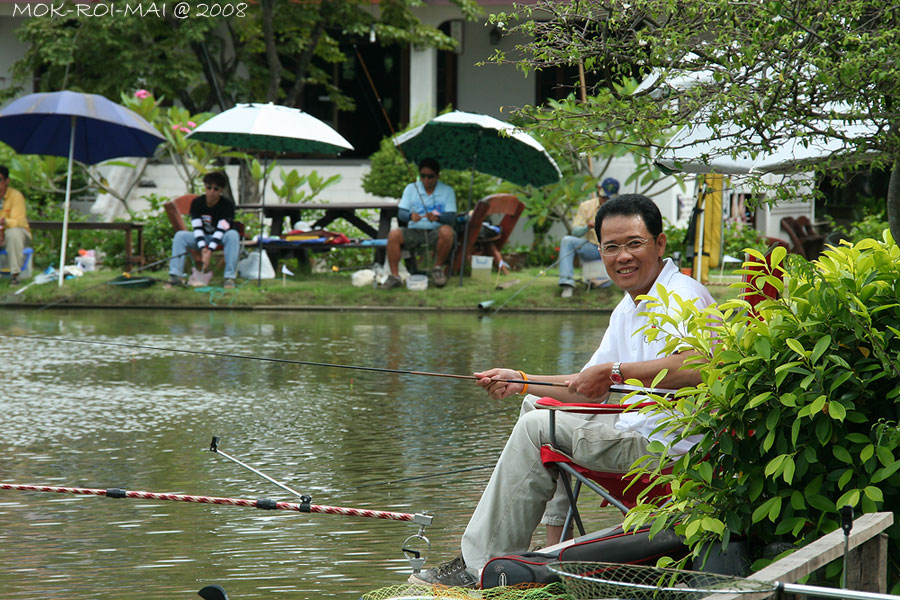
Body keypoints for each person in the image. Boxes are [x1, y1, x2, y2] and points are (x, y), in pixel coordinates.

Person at [410, 194, 715, 588]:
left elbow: (701, 365)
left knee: (538, 427)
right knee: (537, 404)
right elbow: (588, 387)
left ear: (659, 244)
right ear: (600, 251)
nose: (622, 256)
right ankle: (552, 545)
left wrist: (616, 371)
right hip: (639, 433)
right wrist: (519, 377)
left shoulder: (683, 294)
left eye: (634, 243)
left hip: (667, 450)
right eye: (611, 247)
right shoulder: (629, 307)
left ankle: (478, 567)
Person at [381, 158, 457, 289]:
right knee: (394, 234)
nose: (426, 180)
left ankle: (437, 269)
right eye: (423, 176)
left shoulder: (447, 191)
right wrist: (410, 216)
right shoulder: (411, 189)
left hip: (436, 231)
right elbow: (401, 213)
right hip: (414, 231)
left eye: (430, 177)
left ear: (438, 176)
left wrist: (438, 218)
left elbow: (451, 217)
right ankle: (394, 277)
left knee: (447, 231)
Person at [166, 171, 239, 289]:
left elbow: (221, 229)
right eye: (209, 188)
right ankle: (175, 276)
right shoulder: (197, 203)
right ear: (205, 187)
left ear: (221, 190)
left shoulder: (227, 205)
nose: (212, 192)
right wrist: (203, 248)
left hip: (221, 237)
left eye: (216, 189)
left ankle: (229, 278)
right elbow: (197, 228)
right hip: (203, 237)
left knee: (233, 235)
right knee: (180, 235)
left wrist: (209, 250)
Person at [558, 177, 620, 298]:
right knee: (567, 241)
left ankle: (627, 287)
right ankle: (567, 283)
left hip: (614, 249)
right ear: (599, 191)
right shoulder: (586, 206)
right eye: (603, 197)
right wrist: (587, 226)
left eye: (608, 198)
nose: (605, 200)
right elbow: (575, 232)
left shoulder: (621, 208)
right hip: (592, 247)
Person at [0, 165, 32, 287]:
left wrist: (4, 223)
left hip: (17, 233)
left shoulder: (16, 195)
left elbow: (18, 221)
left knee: (13, 234)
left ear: (7, 181)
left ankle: (15, 275)